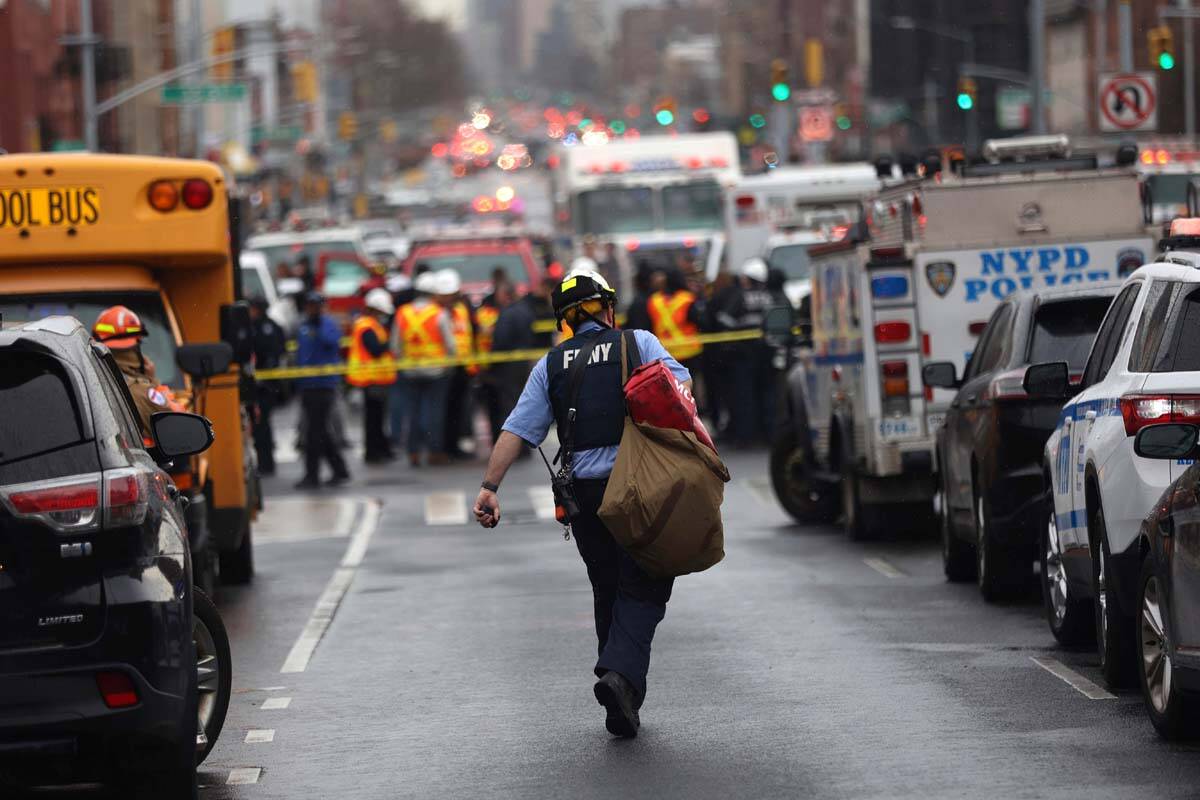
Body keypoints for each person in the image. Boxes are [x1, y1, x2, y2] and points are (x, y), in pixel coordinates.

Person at [472, 263, 692, 739]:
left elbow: (518, 429)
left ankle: (621, 699)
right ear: (607, 308)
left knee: (606, 585)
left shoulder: (550, 365)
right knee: (647, 583)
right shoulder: (638, 344)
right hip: (639, 486)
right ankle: (618, 674)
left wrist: (490, 486)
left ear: (565, 320)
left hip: (584, 496)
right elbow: (681, 390)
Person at [711, 258, 787, 446]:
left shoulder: (740, 296)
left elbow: (724, 319)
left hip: (743, 354)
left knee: (745, 395)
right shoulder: (770, 296)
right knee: (767, 394)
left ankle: (746, 435)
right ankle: (768, 433)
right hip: (766, 352)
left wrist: (735, 331)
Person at [92, 305, 184, 439]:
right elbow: (180, 423)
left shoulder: (88, 379)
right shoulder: (141, 391)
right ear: (135, 349)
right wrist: (154, 383)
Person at [393, 271, 456, 466]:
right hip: (436, 371)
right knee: (434, 412)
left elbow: (395, 346)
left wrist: (406, 361)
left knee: (411, 412)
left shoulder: (403, 312)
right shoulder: (439, 313)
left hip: (410, 371)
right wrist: (447, 363)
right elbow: (451, 345)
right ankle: (434, 452)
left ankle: (413, 453)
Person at [294, 291, 351, 489]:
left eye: (316, 305)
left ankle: (312, 475)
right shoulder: (303, 326)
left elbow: (331, 342)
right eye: (309, 305)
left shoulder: (326, 324)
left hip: (323, 385)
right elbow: (301, 353)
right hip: (307, 384)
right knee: (320, 432)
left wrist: (318, 325)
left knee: (314, 433)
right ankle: (339, 470)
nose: (312, 309)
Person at [348, 288, 398, 464]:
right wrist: (390, 344)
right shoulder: (366, 326)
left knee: (377, 417)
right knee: (373, 418)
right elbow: (375, 350)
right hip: (371, 379)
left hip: (376, 378)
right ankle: (373, 452)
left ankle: (380, 449)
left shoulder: (372, 324)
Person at [436, 269, 475, 460]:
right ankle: (445, 447)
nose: (448, 298)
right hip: (445, 368)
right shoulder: (437, 313)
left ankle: (453, 446)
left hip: (462, 367)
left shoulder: (461, 309)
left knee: (458, 410)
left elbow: (467, 335)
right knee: (445, 410)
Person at [249, 297, 287, 475]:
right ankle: (265, 461)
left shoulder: (264, 328)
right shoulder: (261, 326)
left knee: (261, 425)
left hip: (265, 386)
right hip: (263, 384)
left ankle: (266, 464)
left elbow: (274, 353)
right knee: (260, 425)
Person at [647, 267, 704, 379]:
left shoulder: (654, 300)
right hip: (689, 352)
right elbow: (700, 321)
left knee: (672, 388)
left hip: (664, 352)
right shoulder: (687, 299)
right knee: (690, 388)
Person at [475, 280, 513, 446]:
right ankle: (498, 439)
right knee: (496, 406)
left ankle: (497, 438)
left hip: (490, 366)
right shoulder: (491, 313)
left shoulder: (493, 313)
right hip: (490, 366)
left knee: (495, 407)